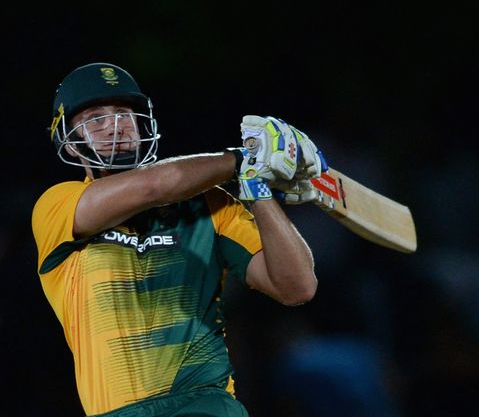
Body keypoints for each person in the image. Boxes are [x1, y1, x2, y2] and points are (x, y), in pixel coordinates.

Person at [31, 62, 327, 416]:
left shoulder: (211, 204)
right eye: (95, 119)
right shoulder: (56, 206)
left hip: (207, 405)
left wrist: (256, 186)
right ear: (71, 140)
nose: (115, 127)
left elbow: (298, 286)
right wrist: (243, 158)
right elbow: (153, 187)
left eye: (124, 114)